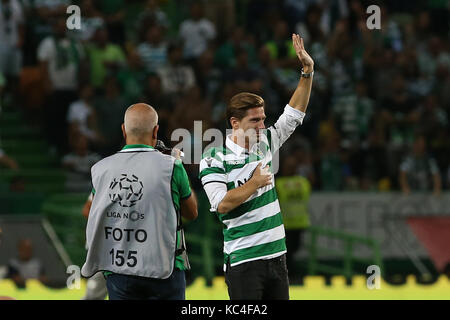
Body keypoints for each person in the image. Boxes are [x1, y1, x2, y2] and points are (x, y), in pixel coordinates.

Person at [198, 34, 314, 300]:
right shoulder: (214, 158)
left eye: (263, 119)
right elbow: (221, 205)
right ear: (235, 123)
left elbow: (294, 113)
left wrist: (307, 71)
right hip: (244, 260)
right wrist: (254, 184)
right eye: (255, 121)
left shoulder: (265, 143)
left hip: (277, 256)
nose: (263, 126)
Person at [81, 103, 198, 300]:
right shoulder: (171, 167)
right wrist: (177, 163)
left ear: (123, 130)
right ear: (156, 131)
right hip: (164, 268)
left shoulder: (100, 169)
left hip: (119, 269)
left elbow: (90, 211)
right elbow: (191, 213)